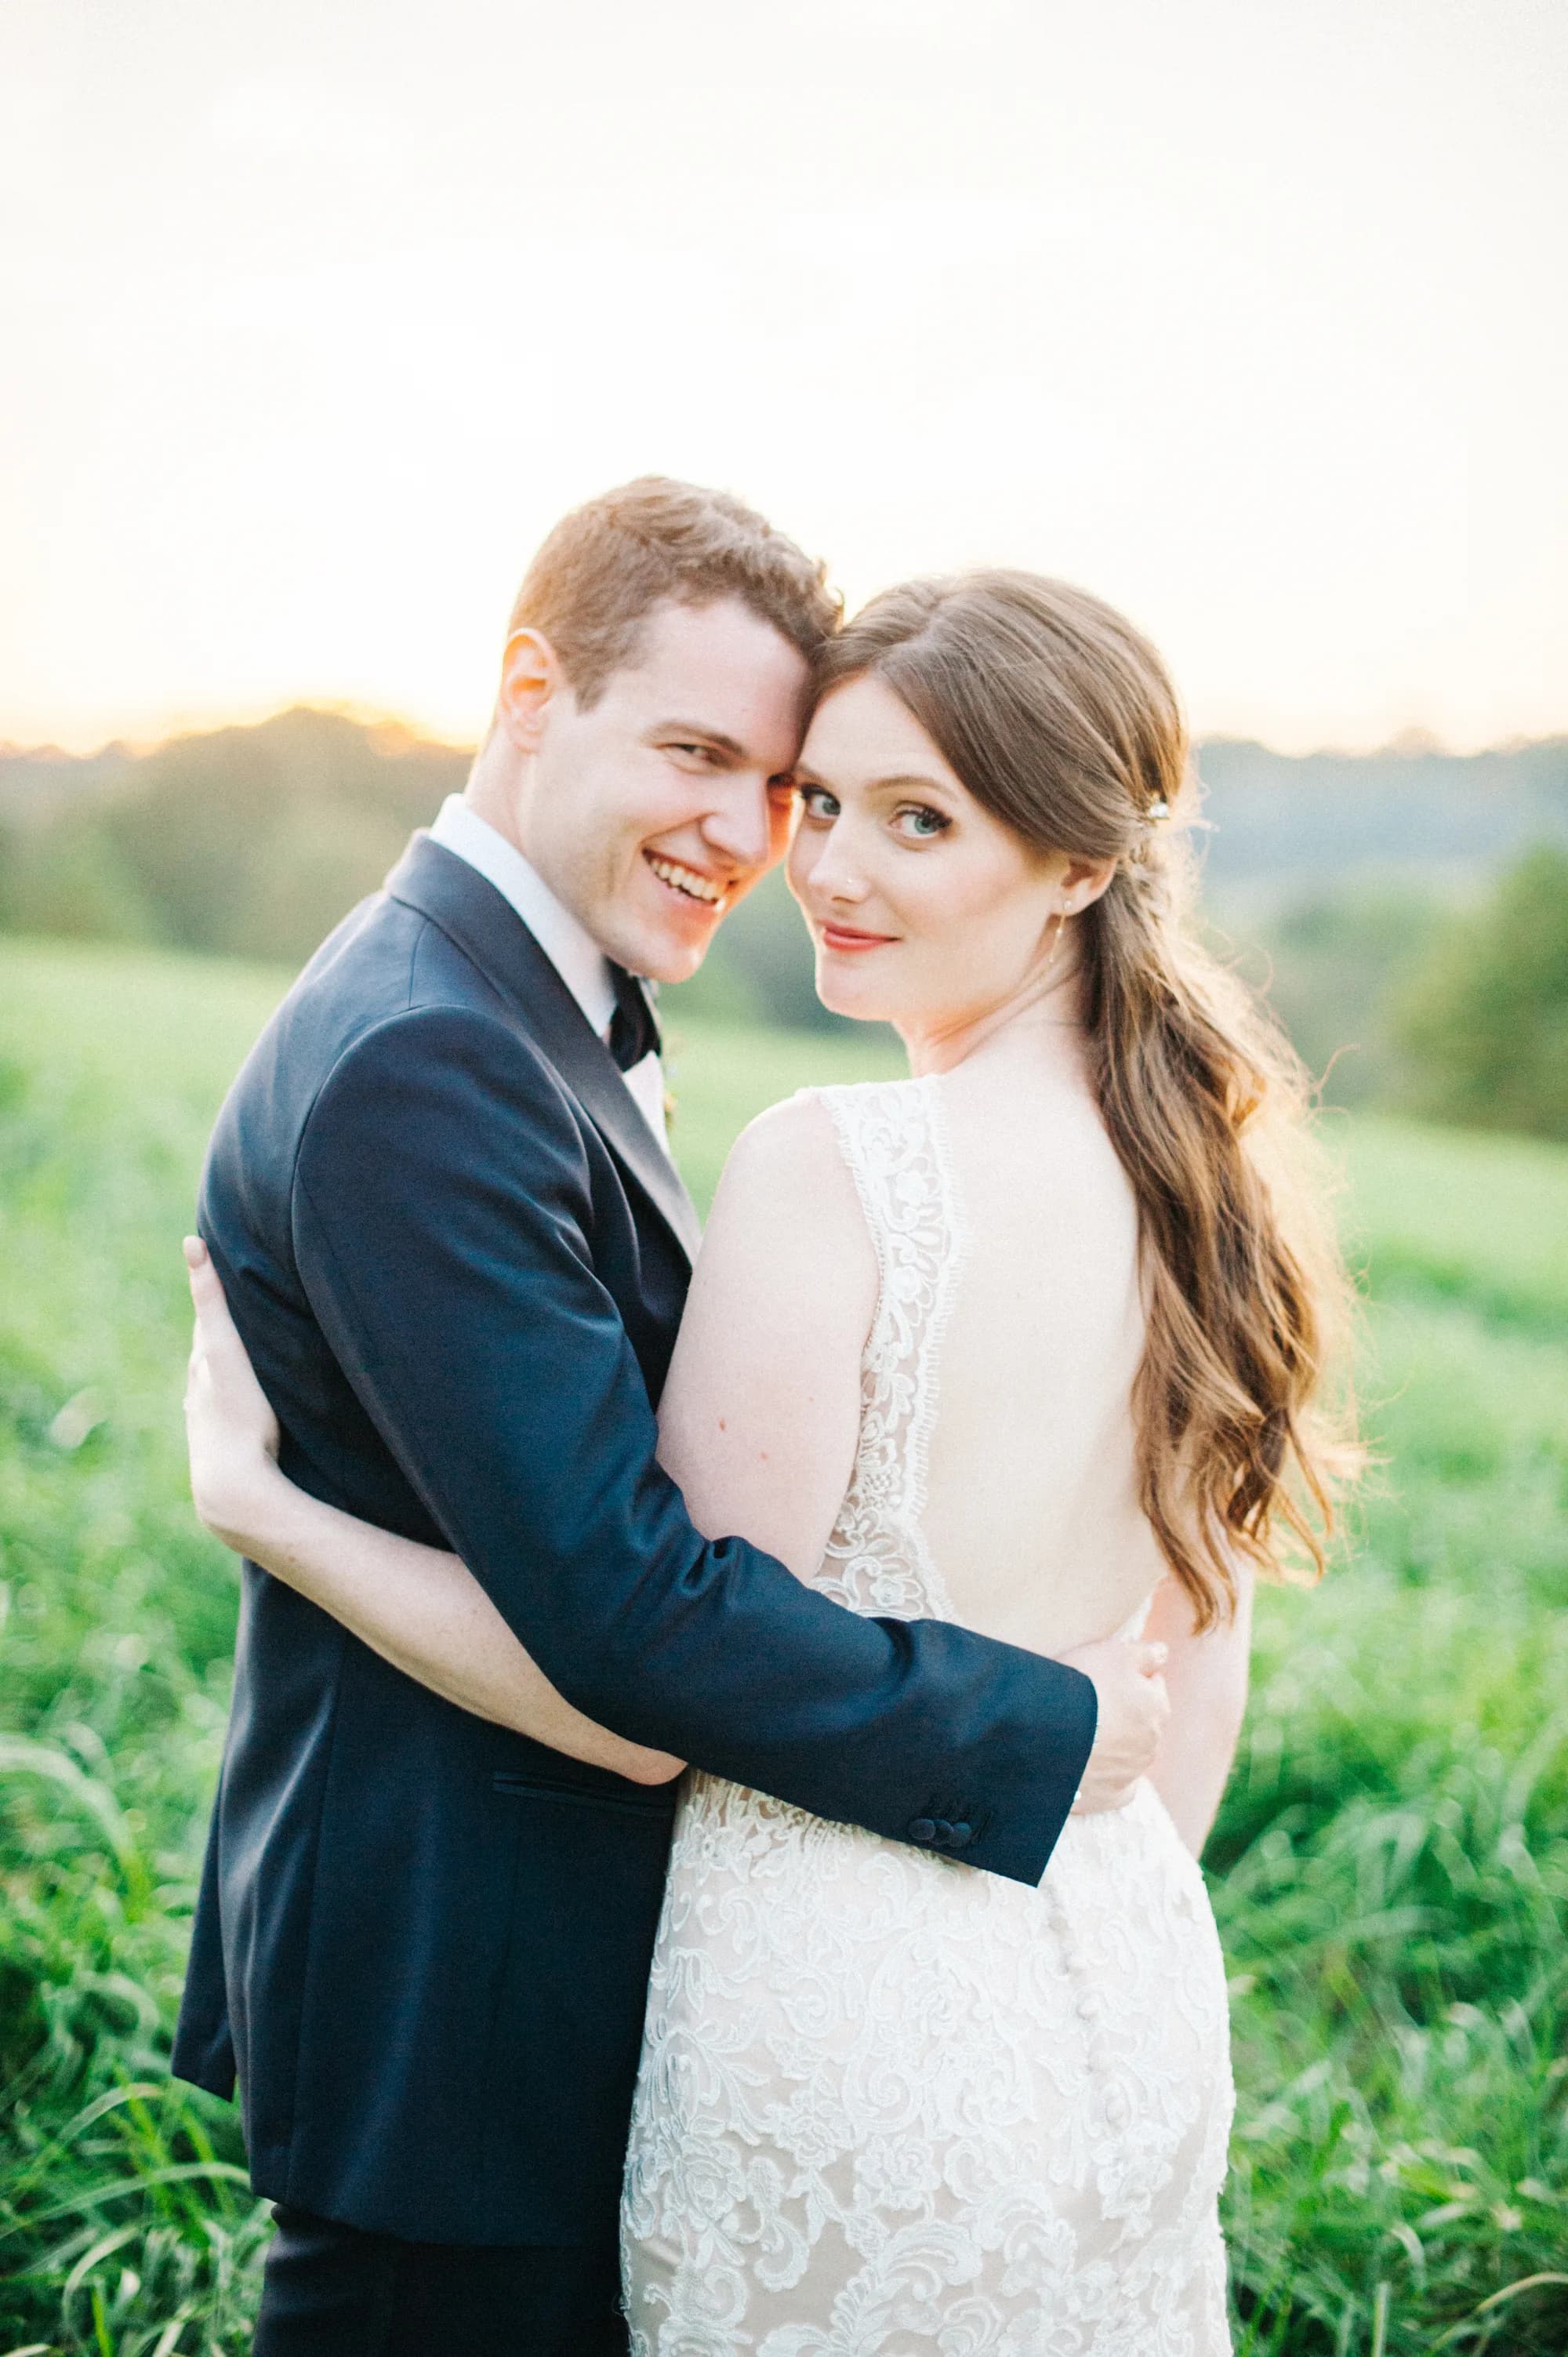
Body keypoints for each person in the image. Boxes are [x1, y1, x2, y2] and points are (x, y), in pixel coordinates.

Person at [172, 484, 1174, 2357]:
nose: (754, 839)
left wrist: (279, 1512)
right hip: (451, 2027)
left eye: (780, 783)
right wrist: (1040, 1727)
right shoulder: (425, 1054)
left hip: (559, 2006)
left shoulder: (515, 1009)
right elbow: (629, 1621)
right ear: (528, 690)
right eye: (698, 755)